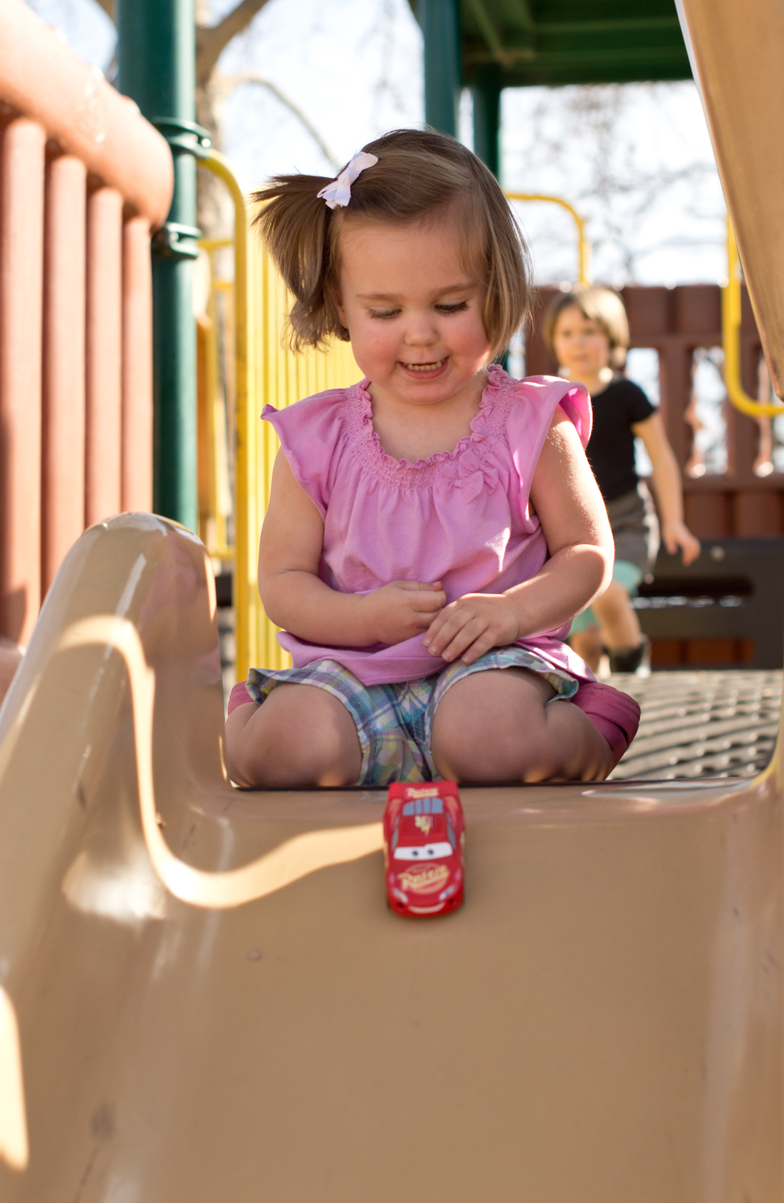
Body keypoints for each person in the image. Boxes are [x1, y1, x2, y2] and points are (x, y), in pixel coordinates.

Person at [225, 129, 640, 789]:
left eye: (450, 305)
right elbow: (283, 582)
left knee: (486, 740)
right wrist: (361, 617)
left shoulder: (531, 423)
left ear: (497, 290)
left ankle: (590, 728)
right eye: (385, 310)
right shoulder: (316, 438)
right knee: (286, 750)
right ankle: (258, 722)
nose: (420, 333)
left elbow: (586, 553)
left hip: (492, 665)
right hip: (353, 673)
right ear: (341, 305)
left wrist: (511, 613)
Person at [544, 286, 701, 675]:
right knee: (585, 639)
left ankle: (635, 679)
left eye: (589, 332)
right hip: (573, 531)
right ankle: (597, 701)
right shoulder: (550, 398)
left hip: (626, 523)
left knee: (609, 595)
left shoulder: (626, 394)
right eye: (567, 333)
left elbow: (661, 458)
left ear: (612, 338)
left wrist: (674, 522)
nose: (578, 343)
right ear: (554, 341)